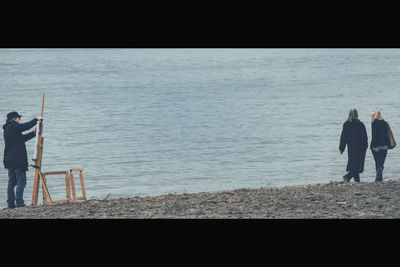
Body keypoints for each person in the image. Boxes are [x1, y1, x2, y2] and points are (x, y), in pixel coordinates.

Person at [3, 111, 42, 208]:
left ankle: (11, 204)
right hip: (17, 160)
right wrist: (36, 120)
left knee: (11, 182)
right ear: (14, 119)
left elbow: (22, 138)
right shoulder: (13, 126)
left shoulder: (8, 129)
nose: (20, 120)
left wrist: (34, 133)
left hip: (9, 160)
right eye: (18, 118)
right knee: (21, 182)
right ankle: (19, 202)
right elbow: (25, 126)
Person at [339, 109, 368, 182]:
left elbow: (343, 137)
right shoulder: (360, 124)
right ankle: (347, 177)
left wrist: (342, 148)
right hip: (360, 148)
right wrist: (365, 146)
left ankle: (357, 181)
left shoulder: (346, 124)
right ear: (357, 115)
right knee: (357, 165)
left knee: (354, 165)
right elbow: (364, 137)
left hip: (351, 148)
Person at [370, 110, 390, 182]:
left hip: (376, 146)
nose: (371, 116)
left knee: (378, 163)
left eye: (372, 114)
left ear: (376, 115)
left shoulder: (374, 123)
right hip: (385, 146)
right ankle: (380, 178)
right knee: (381, 163)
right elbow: (387, 135)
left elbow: (374, 135)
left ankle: (378, 178)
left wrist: (374, 146)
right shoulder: (385, 123)